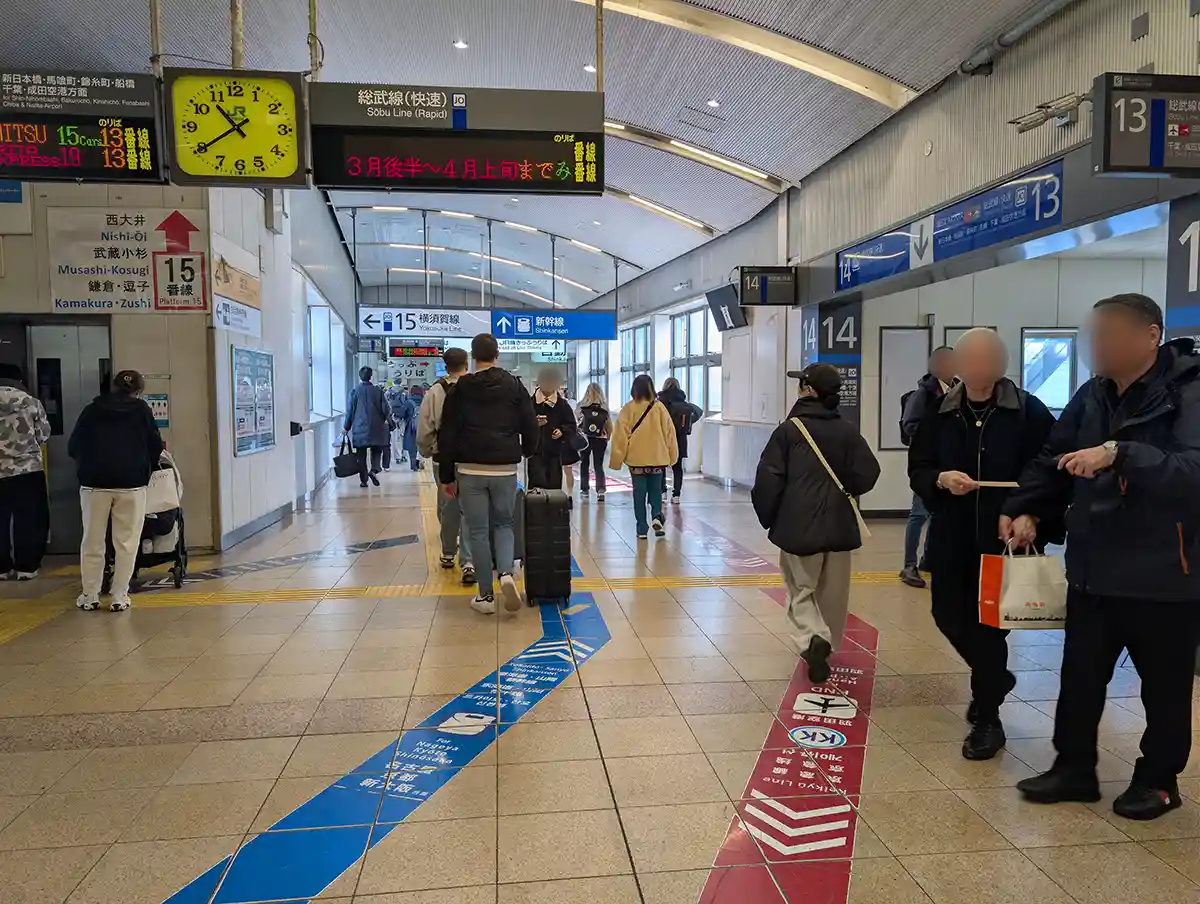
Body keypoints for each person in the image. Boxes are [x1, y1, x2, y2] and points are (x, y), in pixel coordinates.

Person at [1004, 294, 1200, 820]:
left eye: (1110, 334)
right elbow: (1053, 457)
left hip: (1165, 575)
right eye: (1094, 334)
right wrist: (1025, 507)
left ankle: (1159, 781)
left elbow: (1192, 470)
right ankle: (1074, 769)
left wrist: (1120, 454)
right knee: (1081, 677)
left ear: (1151, 335)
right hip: (1093, 567)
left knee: (1163, 689)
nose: (1098, 345)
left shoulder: (1189, 391)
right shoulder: (1092, 394)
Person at [908, 328, 1056, 761]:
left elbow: (1048, 469)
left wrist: (1030, 511)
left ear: (1002, 363)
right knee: (946, 614)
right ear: (958, 364)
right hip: (953, 535)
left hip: (1004, 539)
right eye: (970, 359)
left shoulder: (1028, 411)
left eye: (988, 359)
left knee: (991, 628)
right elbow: (918, 467)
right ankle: (993, 678)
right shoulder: (939, 411)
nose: (979, 368)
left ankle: (989, 720)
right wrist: (939, 479)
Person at [752, 364, 880, 682]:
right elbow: (869, 472)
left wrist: (770, 518)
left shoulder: (789, 431)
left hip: (798, 527)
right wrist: (846, 488)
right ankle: (827, 644)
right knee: (833, 594)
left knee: (801, 590)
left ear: (808, 390)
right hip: (839, 527)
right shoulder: (847, 429)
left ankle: (813, 640)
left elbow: (768, 479)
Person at [438, 334, 538, 615]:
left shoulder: (461, 388)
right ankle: (505, 572)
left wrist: (447, 475)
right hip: (505, 467)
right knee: (504, 523)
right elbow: (529, 425)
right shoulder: (514, 385)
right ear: (497, 355)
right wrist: (527, 450)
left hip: (469, 469)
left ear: (473, 357)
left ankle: (485, 596)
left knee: (478, 530)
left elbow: (448, 432)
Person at [68, 370, 163, 611]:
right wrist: (143, 469)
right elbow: (154, 446)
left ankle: (90, 595)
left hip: (94, 483)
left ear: (112, 386)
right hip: (131, 483)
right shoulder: (142, 411)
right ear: (139, 390)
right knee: (127, 542)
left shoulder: (92, 410)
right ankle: (120, 595)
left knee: (92, 541)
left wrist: (88, 465)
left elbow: (74, 445)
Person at [898, 346, 958, 588]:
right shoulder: (923, 394)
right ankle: (909, 565)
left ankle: (929, 559)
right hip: (929, 467)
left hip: (951, 467)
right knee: (919, 513)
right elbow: (909, 425)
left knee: (939, 514)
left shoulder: (959, 389)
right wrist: (935, 438)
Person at [417, 347, 474, 585]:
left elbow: (425, 428)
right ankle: (469, 560)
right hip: (472, 457)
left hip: (443, 457)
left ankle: (448, 552)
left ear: (445, 366)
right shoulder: (476, 388)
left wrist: (428, 451)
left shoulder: (434, 392)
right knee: (471, 508)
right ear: (466, 365)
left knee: (447, 504)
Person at [609, 374, 678, 540]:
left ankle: (641, 528)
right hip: (657, 458)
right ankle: (656, 516)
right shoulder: (659, 408)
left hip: (636, 460)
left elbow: (620, 436)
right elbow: (670, 433)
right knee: (655, 491)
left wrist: (617, 460)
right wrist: (672, 456)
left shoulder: (628, 409)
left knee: (639, 494)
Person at [0, 364, 51, 580]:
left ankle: (1, 568)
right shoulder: (30, 402)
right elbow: (44, 435)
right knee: (30, 518)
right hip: (27, 470)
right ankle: (26, 566)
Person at [528, 367, 581, 491]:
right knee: (536, 490)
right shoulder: (530, 403)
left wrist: (562, 430)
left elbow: (571, 425)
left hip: (555, 453)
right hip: (535, 452)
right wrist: (535, 424)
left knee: (554, 489)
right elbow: (522, 424)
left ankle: (554, 510)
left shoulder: (562, 404)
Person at [657, 376, 704, 503]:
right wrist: (689, 423)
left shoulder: (660, 402)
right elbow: (699, 411)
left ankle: (662, 492)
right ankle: (676, 495)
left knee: (661, 466)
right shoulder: (683, 402)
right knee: (677, 468)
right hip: (680, 439)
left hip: (664, 438)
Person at [344, 366, 391, 488]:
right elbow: (386, 409)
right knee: (377, 450)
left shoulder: (354, 392)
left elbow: (350, 411)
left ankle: (363, 480)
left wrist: (346, 427)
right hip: (376, 427)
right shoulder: (378, 391)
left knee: (361, 455)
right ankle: (374, 470)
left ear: (360, 376)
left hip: (359, 428)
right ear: (371, 377)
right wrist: (384, 419)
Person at [578, 382, 612, 501]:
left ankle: (584, 490)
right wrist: (608, 435)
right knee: (598, 465)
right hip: (600, 439)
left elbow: (576, 421)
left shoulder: (581, 405)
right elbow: (609, 424)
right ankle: (600, 490)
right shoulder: (604, 407)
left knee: (584, 464)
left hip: (585, 438)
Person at [386, 383, 409, 466]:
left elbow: (385, 406)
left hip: (392, 417)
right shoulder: (405, 392)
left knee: (394, 438)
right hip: (403, 417)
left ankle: (397, 457)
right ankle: (404, 455)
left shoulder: (388, 392)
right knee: (404, 436)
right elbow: (408, 405)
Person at [405, 385, 424, 472]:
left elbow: (403, 413)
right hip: (424, 426)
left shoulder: (408, 402)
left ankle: (413, 465)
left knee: (412, 446)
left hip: (411, 426)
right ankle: (420, 462)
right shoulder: (425, 401)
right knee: (422, 444)